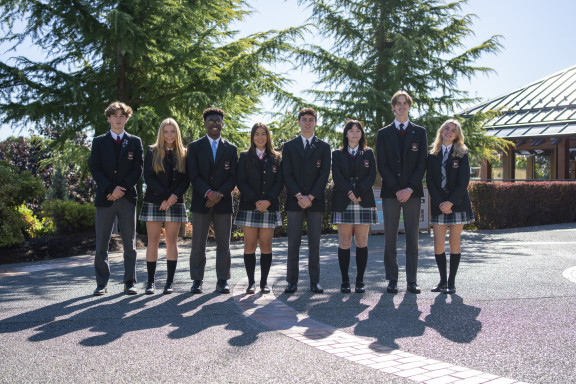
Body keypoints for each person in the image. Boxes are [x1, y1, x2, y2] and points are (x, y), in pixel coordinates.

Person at [376, 90, 428, 294]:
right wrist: (398, 189)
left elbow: (422, 163)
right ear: (393, 107)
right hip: (391, 193)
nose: (401, 106)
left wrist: (409, 188)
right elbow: (383, 164)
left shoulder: (420, 132)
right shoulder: (383, 133)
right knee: (390, 238)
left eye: (405, 103)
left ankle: (412, 281)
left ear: (409, 106)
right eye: (398, 103)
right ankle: (392, 279)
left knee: (412, 239)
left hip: (413, 193)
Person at [89, 101, 143, 295]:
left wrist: (122, 189)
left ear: (127, 119)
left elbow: (138, 169)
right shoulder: (98, 142)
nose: (119, 120)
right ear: (109, 118)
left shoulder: (135, 142)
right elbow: (95, 168)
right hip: (106, 198)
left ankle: (130, 282)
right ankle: (101, 284)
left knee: (130, 244)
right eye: (115, 116)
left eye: (122, 116)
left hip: (127, 198)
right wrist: (111, 189)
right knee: (102, 244)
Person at [187, 107, 237, 294]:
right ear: (205, 123)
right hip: (201, 202)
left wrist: (219, 194)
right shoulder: (194, 147)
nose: (215, 124)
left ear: (222, 124)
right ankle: (197, 280)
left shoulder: (231, 149)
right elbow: (193, 175)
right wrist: (208, 193)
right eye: (211, 121)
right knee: (198, 244)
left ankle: (222, 279)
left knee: (224, 244)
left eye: (218, 121)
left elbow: (233, 176)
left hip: (223, 203)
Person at [282, 107, 331, 294]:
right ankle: (291, 282)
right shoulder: (289, 146)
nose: (308, 122)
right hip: (295, 201)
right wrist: (299, 196)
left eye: (311, 119)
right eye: (304, 119)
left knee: (314, 244)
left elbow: (324, 175)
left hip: (315, 201)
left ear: (315, 122)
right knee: (293, 243)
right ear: (299, 122)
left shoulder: (324, 147)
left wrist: (310, 196)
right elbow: (286, 173)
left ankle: (315, 282)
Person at [139, 118, 190, 294]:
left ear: (177, 133)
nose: (169, 135)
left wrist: (173, 197)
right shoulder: (152, 151)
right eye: (166, 131)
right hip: (155, 201)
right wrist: (165, 197)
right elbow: (148, 177)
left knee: (171, 242)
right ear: (161, 133)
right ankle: (151, 282)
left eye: (173, 131)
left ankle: (169, 282)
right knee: (152, 241)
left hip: (175, 201)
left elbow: (186, 179)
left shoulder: (184, 152)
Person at [426, 119, 474, 294]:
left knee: (454, 243)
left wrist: (451, 202)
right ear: (441, 131)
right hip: (439, 204)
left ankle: (451, 282)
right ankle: (442, 282)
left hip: (457, 204)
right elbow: (430, 181)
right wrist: (441, 203)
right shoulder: (432, 154)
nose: (449, 132)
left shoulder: (462, 153)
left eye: (453, 130)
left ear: (457, 135)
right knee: (438, 245)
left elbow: (464, 182)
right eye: (446, 128)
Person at [331, 120, 378, 293]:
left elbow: (371, 175)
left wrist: (358, 191)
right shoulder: (337, 153)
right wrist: (350, 192)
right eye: (351, 131)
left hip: (363, 198)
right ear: (346, 134)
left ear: (361, 134)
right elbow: (337, 176)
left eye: (358, 131)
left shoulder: (368, 153)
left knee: (361, 241)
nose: (355, 134)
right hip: (344, 199)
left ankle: (359, 280)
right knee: (344, 241)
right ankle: (345, 281)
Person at [236, 123, 283, 294]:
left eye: (263, 134)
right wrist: (256, 200)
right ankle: (251, 282)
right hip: (250, 206)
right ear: (252, 136)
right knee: (249, 245)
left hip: (269, 207)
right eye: (257, 134)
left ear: (268, 136)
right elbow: (241, 181)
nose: (260, 137)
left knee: (266, 246)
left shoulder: (276, 157)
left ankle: (264, 283)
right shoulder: (244, 156)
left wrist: (268, 201)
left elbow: (279, 182)